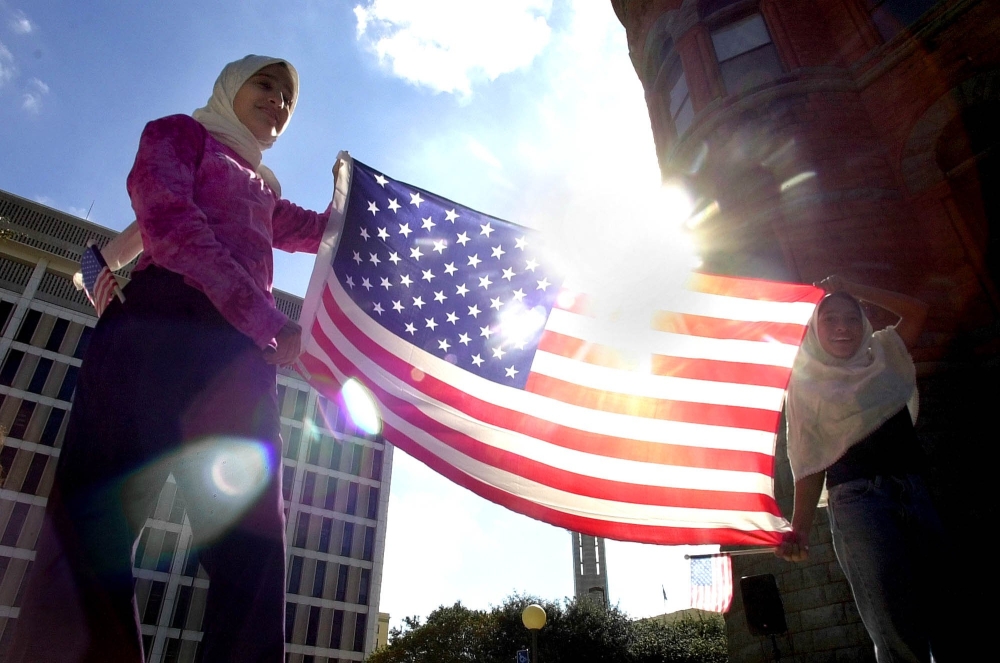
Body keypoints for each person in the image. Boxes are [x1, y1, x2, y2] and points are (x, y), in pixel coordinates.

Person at [10, 55, 329, 662]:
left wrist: (363, 201)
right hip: (154, 330)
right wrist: (267, 322)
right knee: (95, 526)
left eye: (289, 97)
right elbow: (171, 226)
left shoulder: (264, 190)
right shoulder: (177, 134)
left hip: (236, 356)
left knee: (254, 548)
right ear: (231, 86)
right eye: (266, 84)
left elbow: (326, 231)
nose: (279, 102)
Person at [776, 276, 952, 662]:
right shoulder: (806, 384)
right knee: (894, 624)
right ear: (814, 327)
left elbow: (917, 310)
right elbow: (809, 459)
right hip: (859, 505)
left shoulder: (885, 353)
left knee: (947, 614)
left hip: (914, 491)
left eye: (851, 317)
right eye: (830, 319)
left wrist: (858, 287)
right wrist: (800, 527)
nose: (842, 327)